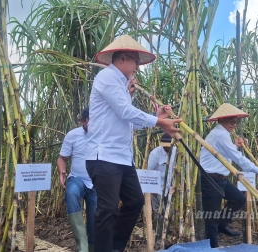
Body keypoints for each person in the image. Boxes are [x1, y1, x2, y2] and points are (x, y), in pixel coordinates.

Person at [86, 34, 181, 252]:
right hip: (104, 156)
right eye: (135, 61)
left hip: (121, 158)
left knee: (135, 201)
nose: (138, 66)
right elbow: (126, 112)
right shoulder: (107, 77)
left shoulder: (122, 86)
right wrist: (160, 122)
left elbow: (128, 121)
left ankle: (115, 247)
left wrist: (156, 117)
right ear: (122, 60)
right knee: (107, 209)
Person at [199, 103, 258, 248]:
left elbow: (227, 154)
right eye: (231, 121)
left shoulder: (223, 135)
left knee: (238, 198)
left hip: (221, 178)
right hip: (211, 179)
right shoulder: (220, 135)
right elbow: (237, 158)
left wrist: (236, 146)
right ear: (221, 120)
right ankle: (213, 247)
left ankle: (222, 224)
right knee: (211, 215)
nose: (234, 124)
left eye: (235, 122)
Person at [57, 107, 96, 252]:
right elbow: (62, 158)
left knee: (95, 219)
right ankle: (83, 246)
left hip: (96, 182)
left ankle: (92, 247)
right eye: (91, 121)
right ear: (83, 122)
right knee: (72, 192)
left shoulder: (102, 135)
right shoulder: (72, 135)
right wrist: (62, 171)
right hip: (77, 178)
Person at [147, 133, 175, 219]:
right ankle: (157, 230)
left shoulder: (175, 151)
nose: (167, 148)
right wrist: (153, 189)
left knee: (170, 211)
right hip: (158, 187)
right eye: (165, 146)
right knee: (158, 212)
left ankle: (169, 231)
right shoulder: (155, 154)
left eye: (168, 146)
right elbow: (149, 171)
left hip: (169, 186)